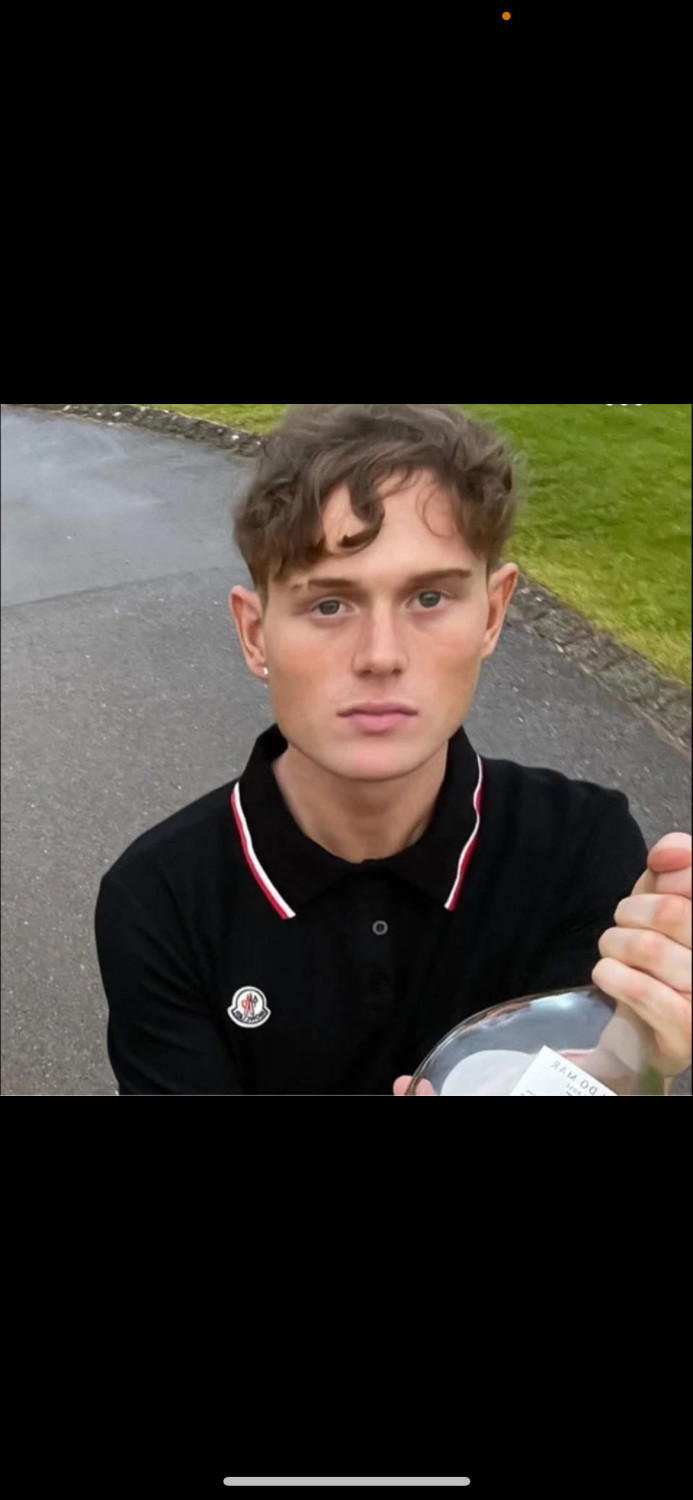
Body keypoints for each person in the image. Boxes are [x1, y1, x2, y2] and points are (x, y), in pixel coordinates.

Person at [94, 404, 691, 1095]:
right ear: (255, 634)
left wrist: (631, 1063)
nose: (381, 655)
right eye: (328, 605)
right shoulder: (161, 900)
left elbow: (593, 1073)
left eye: (429, 597)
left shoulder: (581, 846)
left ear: (492, 613)